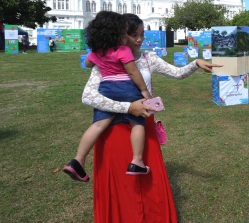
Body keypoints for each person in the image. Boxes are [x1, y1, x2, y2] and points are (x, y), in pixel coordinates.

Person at [81, 13, 221, 222]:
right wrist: (129, 107)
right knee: (121, 183)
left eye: (142, 34)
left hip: (143, 126)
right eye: (133, 35)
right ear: (119, 35)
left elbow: (177, 73)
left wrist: (195, 64)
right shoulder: (106, 58)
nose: (139, 39)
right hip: (115, 131)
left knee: (148, 180)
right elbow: (88, 96)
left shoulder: (148, 58)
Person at [64, 11, 153, 183]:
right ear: (117, 33)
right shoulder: (123, 50)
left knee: (97, 125)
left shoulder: (97, 51)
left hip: (106, 88)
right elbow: (133, 71)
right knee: (137, 123)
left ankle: (78, 160)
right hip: (126, 88)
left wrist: (99, 57)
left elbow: (88, 63)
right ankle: (137, 161)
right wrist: (144, 91)